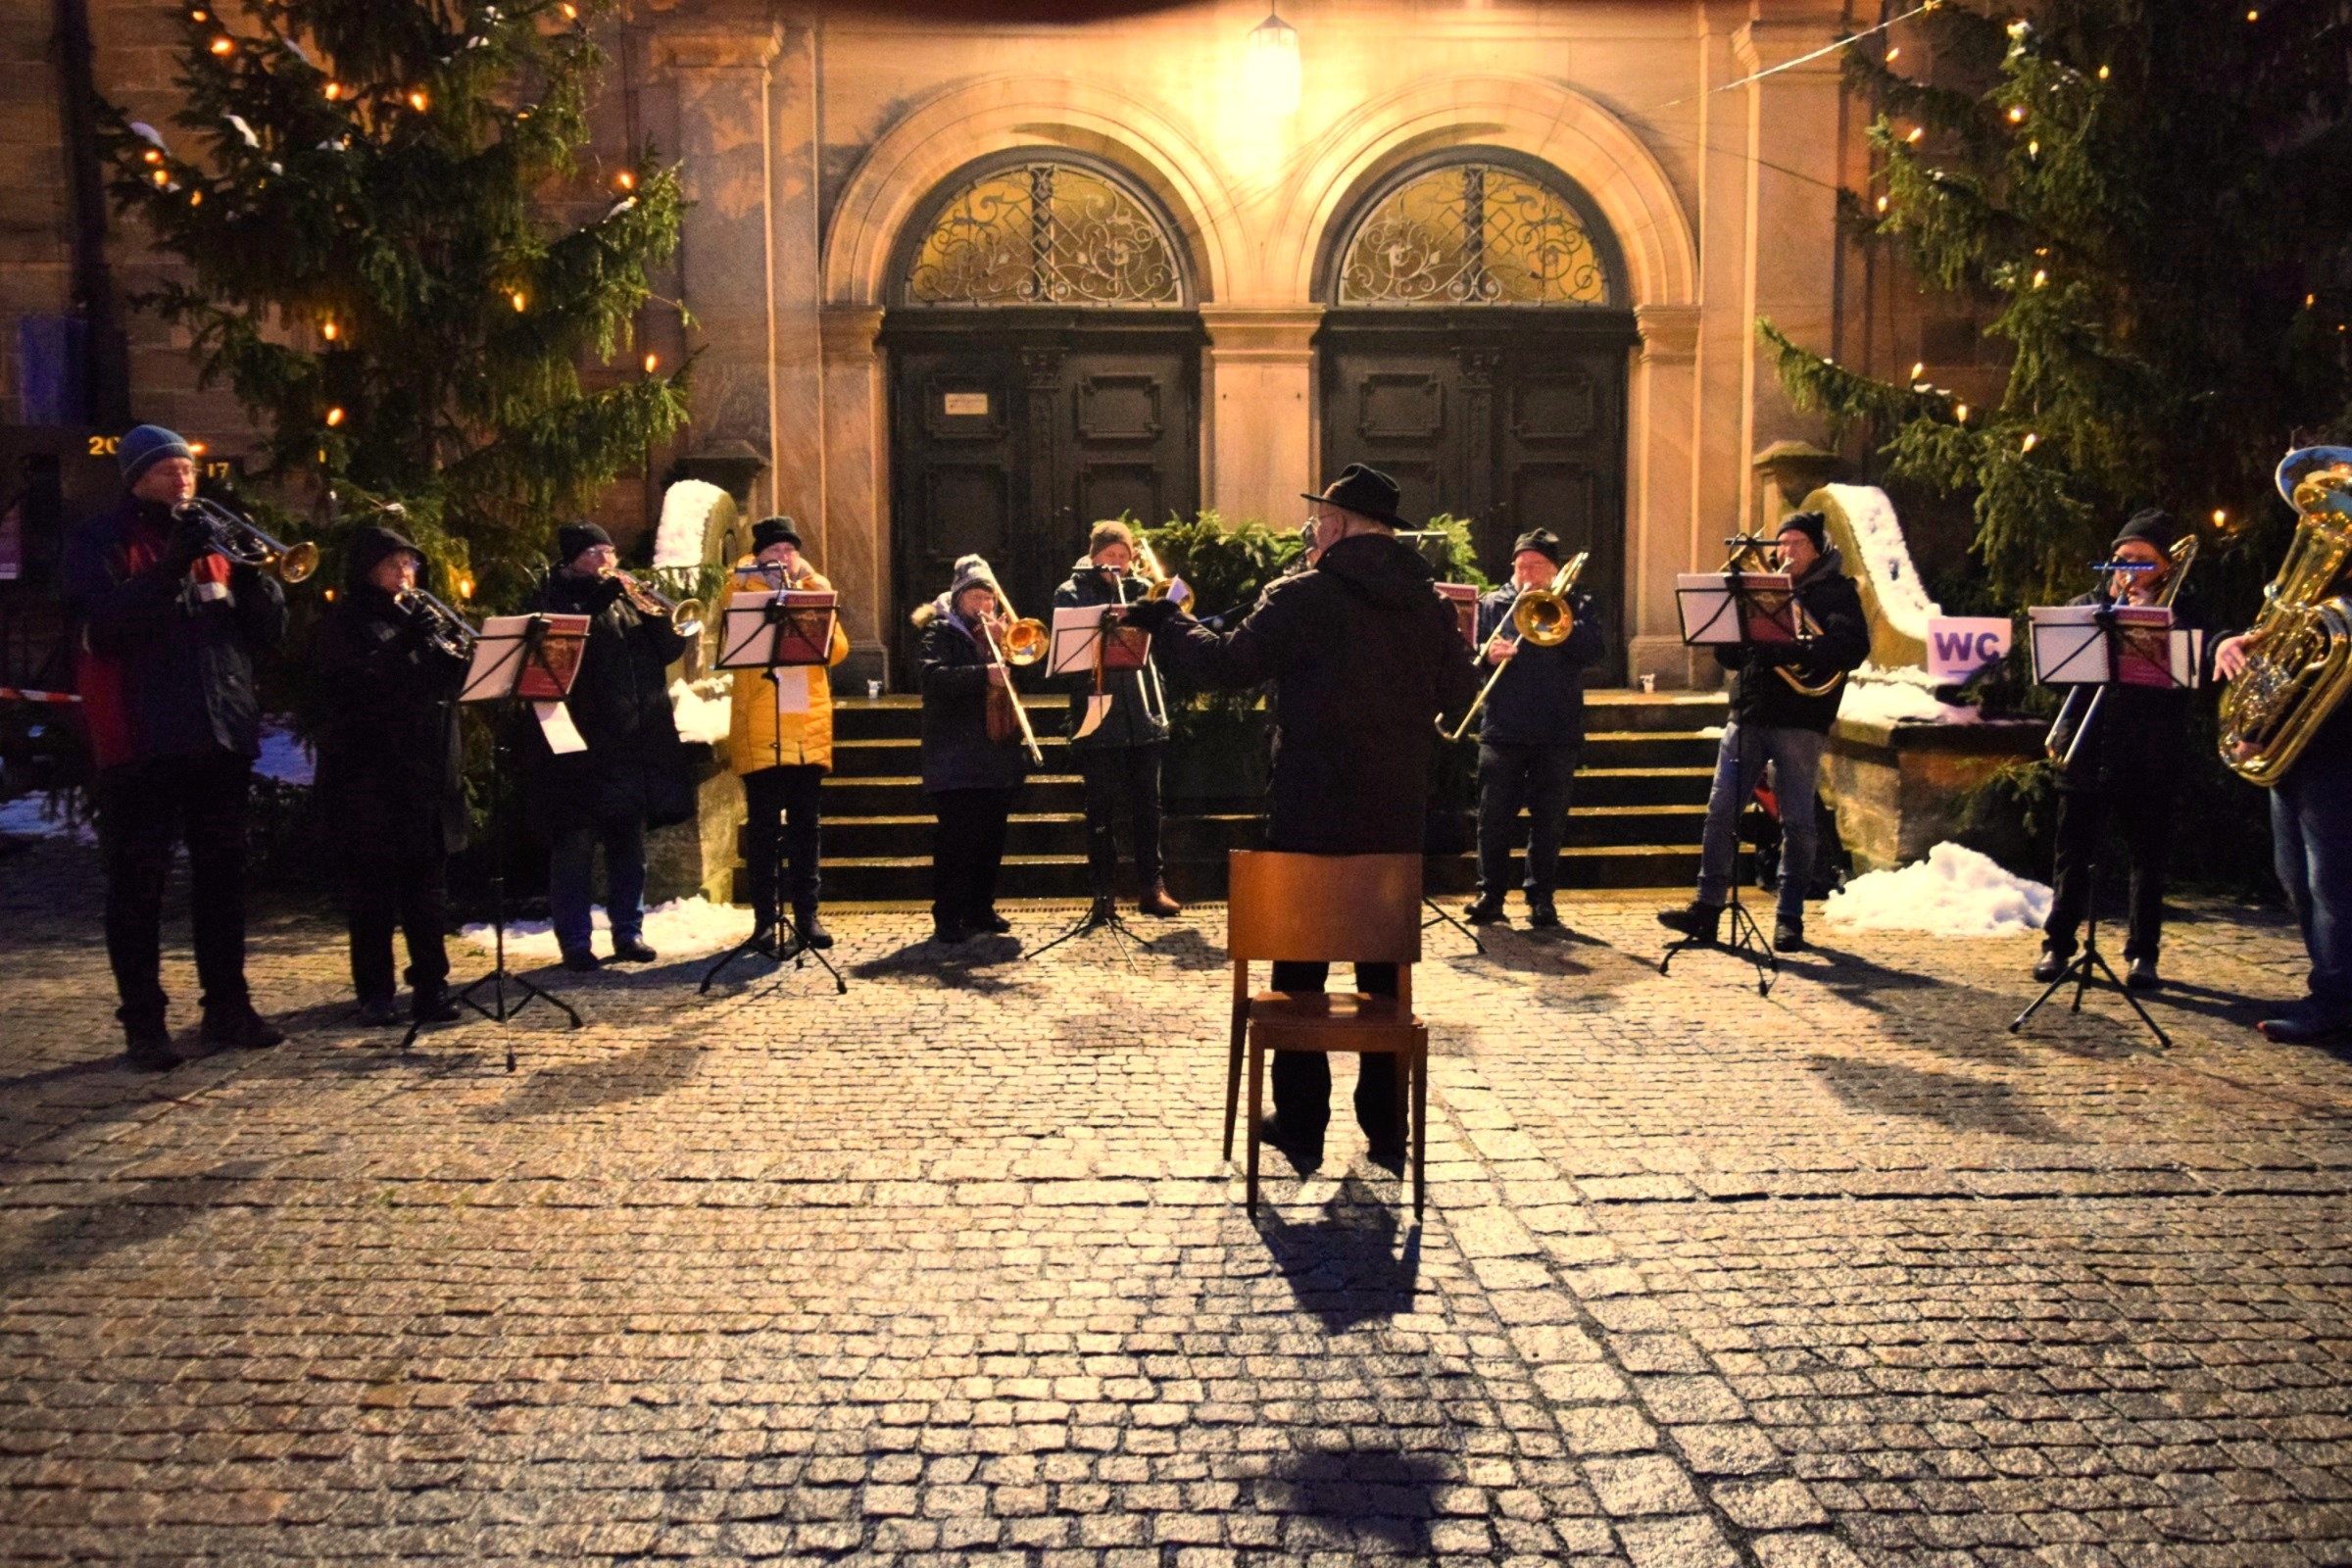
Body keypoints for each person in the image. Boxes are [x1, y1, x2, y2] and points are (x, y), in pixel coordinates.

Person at [1126, 464, 1477, 1164]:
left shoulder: (1304, 595)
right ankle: (1386, 1128)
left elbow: (1227, 666)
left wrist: (1168, 623)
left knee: (1299, 975)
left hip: (1311, 813)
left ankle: (1303, 1125)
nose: (1312, 531)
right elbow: (1459, 692)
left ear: (1339, 527)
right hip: (1393, 819)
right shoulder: (1432, 604)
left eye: (1320, 521)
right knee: (1386, 976)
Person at [61, 423, 288, 1069]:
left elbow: (266, 635)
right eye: (168, 470)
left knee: (222, 880)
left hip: (217, 734)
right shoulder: (97, 540)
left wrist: (254, 581)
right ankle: (144, 1022)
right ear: (135, 477)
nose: (183, 479)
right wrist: (169, 568)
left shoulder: (216, 541)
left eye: (188, 468)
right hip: (143, 737)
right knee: (139, 885)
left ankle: (228, 1005)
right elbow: (104, 629)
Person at [1656, 510, 1869, 954]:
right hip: (1749, 712)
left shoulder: (1836, 593)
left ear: (1816, 549)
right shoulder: (1760, 591)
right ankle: (1707, 907)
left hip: (1800, 717)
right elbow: (1731, 658)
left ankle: (1789, 917)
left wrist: (1796, 646)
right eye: (1782, 544)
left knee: (1796, 820)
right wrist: (1736, 639)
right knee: (1720, 811)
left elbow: (1852, 647)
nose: (1786, 553)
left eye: (1796, 544)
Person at [2215, 450, 2352, 1045]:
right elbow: (2274, 646)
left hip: (2341, 755)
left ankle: (2336, 1003)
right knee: (2295, 876)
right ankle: (2331, 985)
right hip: (2297, 752)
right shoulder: (2317, 588)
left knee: (2333, 882)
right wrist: (2232, 646)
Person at [2034, 510, 2203, 991]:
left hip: (2150, 753)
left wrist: (2158, 622)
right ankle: (2057, 945)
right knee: (2072, 854)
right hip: (2087, 749)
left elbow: (2194, 673)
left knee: (2147, 859)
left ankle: (2142, 956)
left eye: (2141, 562)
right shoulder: (2085, 608)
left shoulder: (2183, 613)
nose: (2127, 570)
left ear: (2166, 568)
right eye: (2120, 559)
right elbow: (2055, 679)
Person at [314, 525, 468, 1026]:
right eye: (395, 564)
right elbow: (357, 687)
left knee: (428, 890)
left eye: (411, 564)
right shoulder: (345, 622)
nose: (407, 573)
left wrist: (458, 655)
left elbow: (442, 683)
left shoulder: (417, 617)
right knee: (373, 891)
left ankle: (432, 986)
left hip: (426, 770)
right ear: (369, 570)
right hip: (370, 776)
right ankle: (375, 992)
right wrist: (408, 642)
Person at [528, 521, 694, 972]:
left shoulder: (629, 599)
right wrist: (596, 603)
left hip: (634, 740)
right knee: (575, 847)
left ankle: (629, 930)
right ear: (573, 560)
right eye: (595, 553)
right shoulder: (554, 598)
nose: (606, 561)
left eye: (610, 551)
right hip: (583, 743)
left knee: (628, 844)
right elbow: (555, 658)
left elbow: (665, 652)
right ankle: (575, 940)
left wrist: (666, 620)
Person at [1461, 527, 1603, 930]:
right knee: (1493, 817)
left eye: (1536, 567)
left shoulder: (1576, 603)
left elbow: (1594, 651)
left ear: (1555, 570)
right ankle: (1490, 894)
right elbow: (1466, 665)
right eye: (1521, 566)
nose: (1527, 575)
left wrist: (1560, 619)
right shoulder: (1492, 605)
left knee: (1548, 819)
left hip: (1557, 728)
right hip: (1502, 727)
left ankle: (1541, 897)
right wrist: (1489, 655)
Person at [725, 515, 851, 956]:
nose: (784, 557)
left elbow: (837, 650)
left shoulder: (813, 588)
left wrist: (811, 587)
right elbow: (731, 637)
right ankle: (763, 919)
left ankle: (808, 915)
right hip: (760, 723)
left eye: (790, 550)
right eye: (775, 550)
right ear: (758, 553)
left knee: (805, 828)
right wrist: (759, 583)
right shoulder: (739, 588)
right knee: (762, 830)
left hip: (806, 724)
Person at [1053, 519, 1181, 923]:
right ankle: (1103, 892)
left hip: (1143, 711)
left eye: (1124, 557)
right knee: (1100, 809)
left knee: (1149, 805)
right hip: (1097, 711)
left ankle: (1152, 886)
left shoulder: (1143, 590)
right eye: (1110, 556)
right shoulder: (1070, 592)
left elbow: (1170, 634)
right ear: (1094, 557)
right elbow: (1068, 657)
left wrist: (1167, 605)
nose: (1117, 564)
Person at [914, 556, 1033, 943]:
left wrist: (1002, 647)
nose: (983, 605)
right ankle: (948, 914)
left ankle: (981, 907)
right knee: (957, 838)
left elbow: (1024, 668)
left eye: (988, 597)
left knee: (991, 835)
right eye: (976, 597)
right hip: (955, 753)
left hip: (996, 751)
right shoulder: (939, 633)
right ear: (959, 598)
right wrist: (984, 673)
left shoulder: (1000, 635)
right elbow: (932, 679)